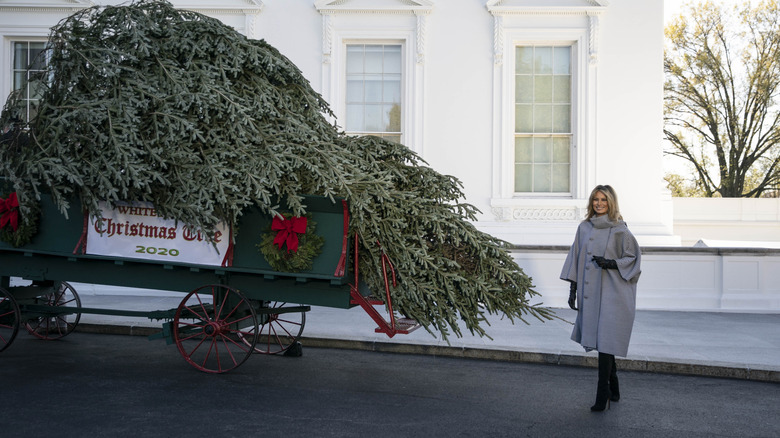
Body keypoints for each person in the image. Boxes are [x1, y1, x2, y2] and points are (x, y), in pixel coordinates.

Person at [560, 185, 641, 412]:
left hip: (614, 294)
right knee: (603, 342)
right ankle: (614, 389)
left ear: (611, 202)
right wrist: (572, 291)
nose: (599, 203)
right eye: (595, 199)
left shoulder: (620, 229)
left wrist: (611, 263)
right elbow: (575, 258)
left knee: (606, 340)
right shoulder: (584, 228)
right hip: (591, 293)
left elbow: (633, 259)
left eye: (603, 200)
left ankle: (602, 396)